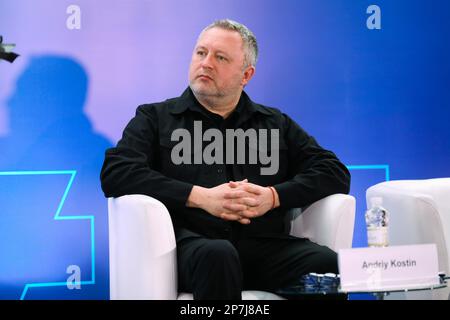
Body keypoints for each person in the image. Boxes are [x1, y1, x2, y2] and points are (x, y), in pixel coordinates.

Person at [100, 19, 350, 300]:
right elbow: (117, 172)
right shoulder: (155, 117)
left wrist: (273, 197)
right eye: (200, 53)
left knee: (330, 265)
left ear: (246, 75)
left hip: (262, 247)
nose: (206, 63)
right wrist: (200, 197)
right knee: (218, 254)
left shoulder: (273, 123)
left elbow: (334, 172)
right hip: (193, 246)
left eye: (220, 57)